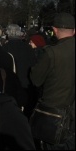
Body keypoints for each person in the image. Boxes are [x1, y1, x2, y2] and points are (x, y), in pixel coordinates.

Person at [30, 12, 75, 150]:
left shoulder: (52, 53)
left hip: (55, 118)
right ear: (74, 31)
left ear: (55, 30)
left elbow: (35, 80)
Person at [2, 23, 37, 118]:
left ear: (8, 34)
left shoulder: (4, 48)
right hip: (26, 84)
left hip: (11, 87)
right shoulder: (28, 48)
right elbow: (34, 65)